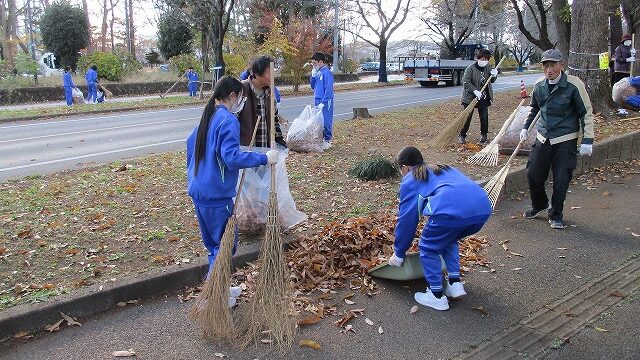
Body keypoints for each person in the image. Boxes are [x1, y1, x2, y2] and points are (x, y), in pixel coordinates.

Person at [186, 76, 279, 307]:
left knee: (214, 245)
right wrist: (263, 158)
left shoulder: (207, 117)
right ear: (233, 96)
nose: (241, 103)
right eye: (241, 98)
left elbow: (190, 145)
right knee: (226, 246)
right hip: (217, 196)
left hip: (200, 192)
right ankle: (214, 295)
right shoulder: (227, 120)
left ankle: (220, 286)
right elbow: (230, 157)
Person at [389, 146, 491, 311]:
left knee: (428, 247)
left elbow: (407, 219)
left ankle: (436, 295)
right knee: (447, 237)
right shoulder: (443, 167)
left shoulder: (410, 179)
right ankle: (455, 283)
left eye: (400, 170)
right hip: (482, 210)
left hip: (452, 213)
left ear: (405, 167)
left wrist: (399, 253)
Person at [520, 49, 595, 229]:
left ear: (561, 65)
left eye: (553, 65)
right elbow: (535, 110)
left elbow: (586, 113)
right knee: (533, 174)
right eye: (546, 66)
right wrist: (525, 128)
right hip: (543, 137)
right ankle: (540, 204)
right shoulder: (539, 85)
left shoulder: (574, 85)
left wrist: (587, 140)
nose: (549, 70)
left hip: (565, 138)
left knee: (561, 179)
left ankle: (556, 214)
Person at [237, 55, 287, 148]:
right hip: (246, 150)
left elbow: (274, 118)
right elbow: (232, 120)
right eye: (269, 72)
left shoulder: (269, 92)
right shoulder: (242, 89)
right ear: (257, 74)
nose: (273, 75)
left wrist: (279, 139)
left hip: (265, 150)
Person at [459, 48, 499, 144]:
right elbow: (466, 82)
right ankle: (462, 135)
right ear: (478, 58)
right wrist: (475, 91)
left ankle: (484, 135)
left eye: (486, 59)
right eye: (482, 59)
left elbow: (491, 81)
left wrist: (494, 75)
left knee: (484, 117)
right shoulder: (470, 68)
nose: (483, 61)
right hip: (470, 98)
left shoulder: (488, 67)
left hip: (484, 97)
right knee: (467, 117)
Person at [310, 52, 335, 149]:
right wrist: (312, 77)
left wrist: (324, 102)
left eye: (315, 63)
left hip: (325, 101)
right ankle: (321, 139)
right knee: (319, 121)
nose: (313, 65)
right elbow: (313, 86)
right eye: (312, 63)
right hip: (317, 99)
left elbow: (328, 89)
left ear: (321, 61)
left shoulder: (327, 73)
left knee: (326, 121)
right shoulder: (317, 72)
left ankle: (328, 140)